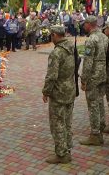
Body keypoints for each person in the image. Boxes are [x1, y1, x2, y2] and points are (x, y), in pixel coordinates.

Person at [42, 25, 76, 164]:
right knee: (67, 121)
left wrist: (46, 91)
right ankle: (67, 147)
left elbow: (52, 76)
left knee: (57, 123)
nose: (51, 38)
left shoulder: (57, 53)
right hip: (70, 89)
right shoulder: (70, 47)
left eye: (52, 35)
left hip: (59, 92)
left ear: (56, 35)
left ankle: (61, 154)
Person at [79, 15, 108, 146]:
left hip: (93, 75)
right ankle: (101, 126)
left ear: (89, 25)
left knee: (93, 104)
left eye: (84, 24)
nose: (83, 26)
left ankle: (95, 134)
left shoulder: (91, 40)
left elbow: (88, 61)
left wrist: (84, 79)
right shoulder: (104, 37)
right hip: (103, 74)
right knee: (100, 101)